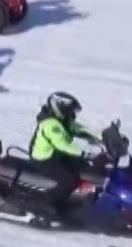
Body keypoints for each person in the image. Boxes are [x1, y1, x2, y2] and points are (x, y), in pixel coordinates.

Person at [27, 91, 99, 222]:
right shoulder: (50, 124)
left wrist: (103, 136)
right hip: (44, 160)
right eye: (69, 110)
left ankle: (75, 202)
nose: (71, 113)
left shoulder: (62, 120)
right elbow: (62, 145)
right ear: (60, 107)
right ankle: (44, 205)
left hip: (57, 157)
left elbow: (80, 129)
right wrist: (83, 153)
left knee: (84, 168)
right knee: (68, 180)